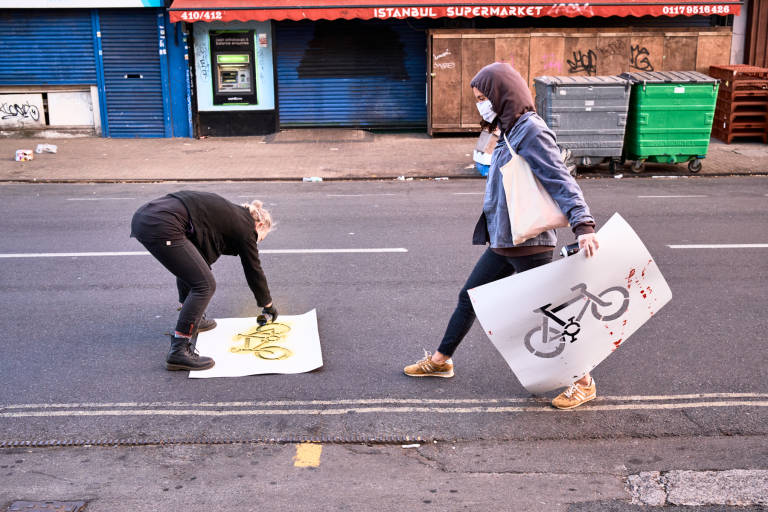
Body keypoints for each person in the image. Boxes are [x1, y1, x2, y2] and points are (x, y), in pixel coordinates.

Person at [403, 62, 600, 410]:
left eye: (484, 97)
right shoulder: (509, 130)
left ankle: (583, 381)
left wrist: (583, 225)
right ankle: (441, 360)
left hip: (530, 244)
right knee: (470, 297)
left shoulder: (530, 130)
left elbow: (561, 180)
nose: (481, 104)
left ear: (502, 94)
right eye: (479, 99)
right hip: (505, 242)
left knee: (546, 314)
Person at [131, 190, 278, 371]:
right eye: (259, 239)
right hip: (161, 223)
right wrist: (268, 304)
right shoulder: (246, 227)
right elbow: (253, 269)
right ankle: (179, 350)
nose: (254, 244)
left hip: (148, 215)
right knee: (205, 285)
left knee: (195, 274)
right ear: (260, 224)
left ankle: (195, 319)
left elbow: (196, 255)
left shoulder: (232, 214)